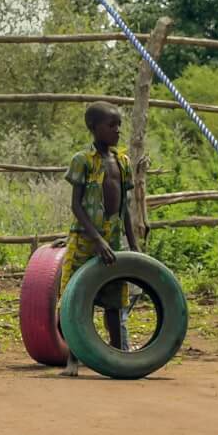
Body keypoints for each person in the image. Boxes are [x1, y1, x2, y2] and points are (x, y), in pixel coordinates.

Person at [60, 102, 137, 371]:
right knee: (78, 298)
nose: (117, 130)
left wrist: (134, 245)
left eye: (119, 125)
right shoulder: (82, 161)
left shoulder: (123, 162)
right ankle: (73, 358)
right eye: (111, 125)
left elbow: (126, 209)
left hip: (114, 238)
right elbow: (76, 206)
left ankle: (119, 356)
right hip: (85, 239)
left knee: (115, 300)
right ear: (93, 128)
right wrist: (96, 239)